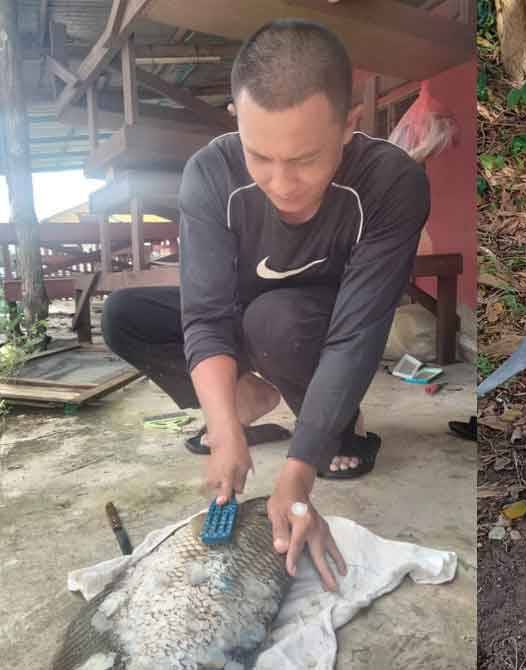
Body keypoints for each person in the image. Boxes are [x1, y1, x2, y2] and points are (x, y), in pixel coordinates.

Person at [101, 19, 431, 592]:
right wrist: (226, 433)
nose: (281, 183)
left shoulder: (390, 183)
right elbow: (204, 315)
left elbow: (359, 333)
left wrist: (297, 475)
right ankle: (246, 398)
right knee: (124, 314)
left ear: (348, 127)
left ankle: (332, 427)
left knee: (275, 319)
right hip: (243, 322)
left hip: (314, 331)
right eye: (260, 155)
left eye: (305, 158)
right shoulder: (210, 172)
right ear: (238, 123)